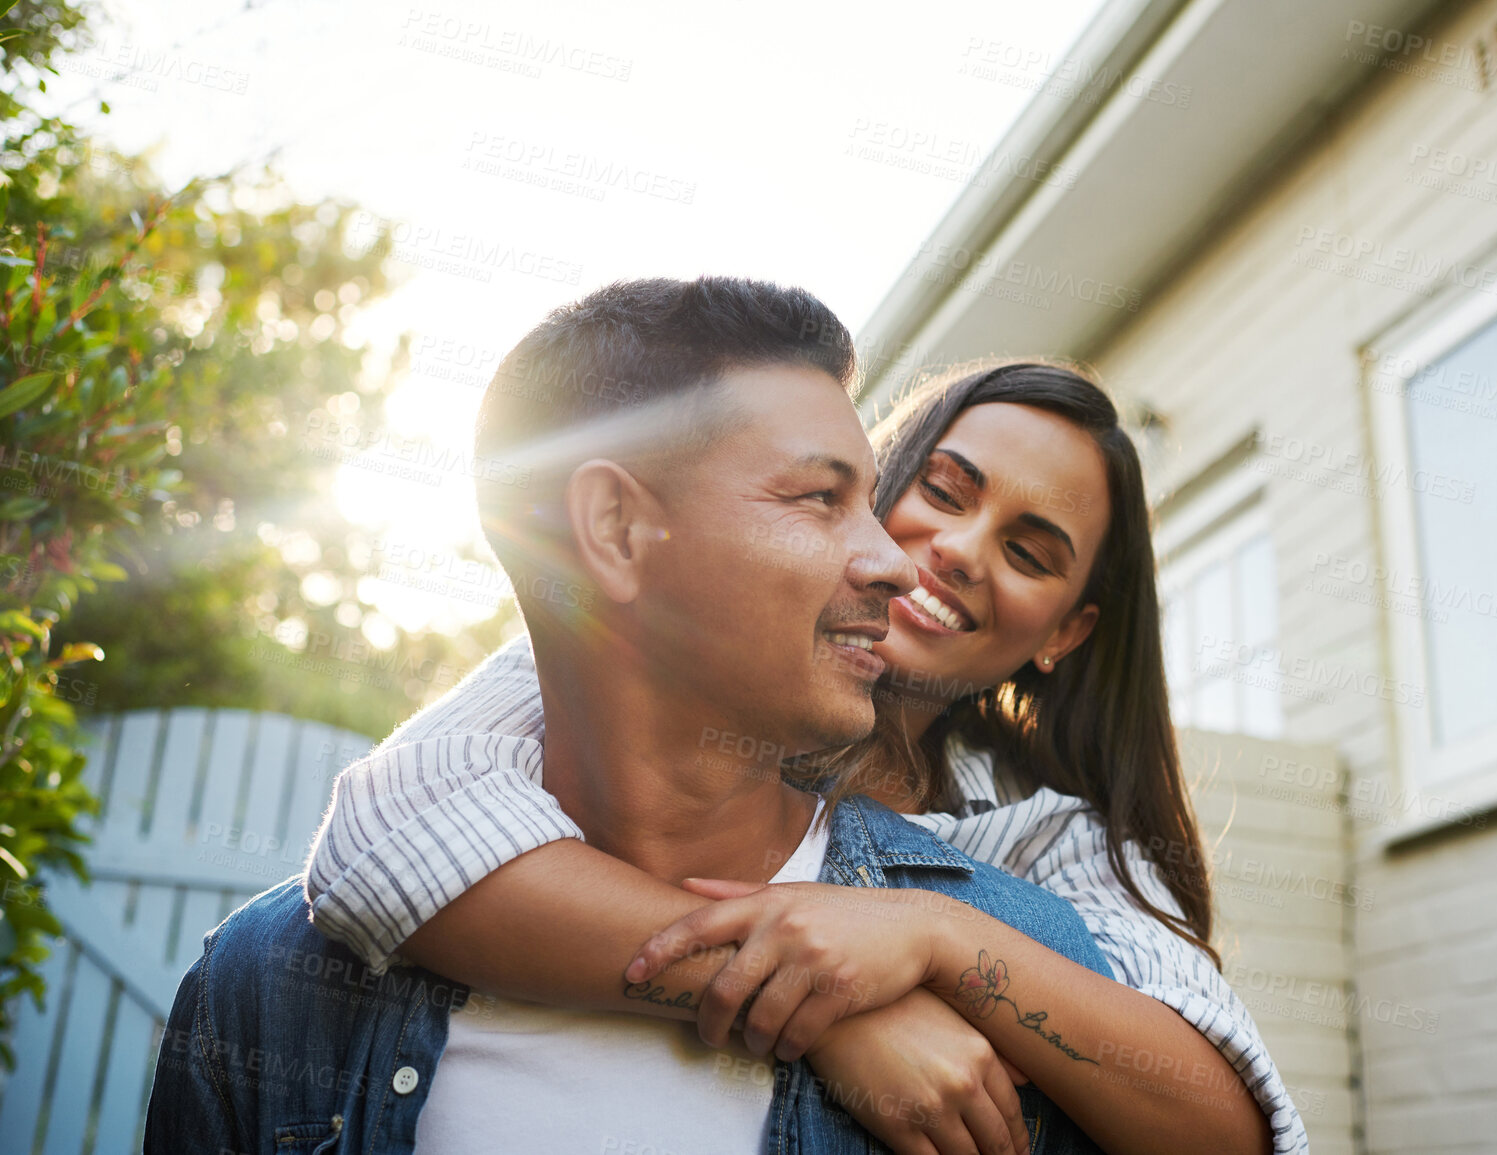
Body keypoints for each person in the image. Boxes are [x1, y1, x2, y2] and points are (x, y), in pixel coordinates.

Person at [143, 279, 1128, 1155]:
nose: (895, 562)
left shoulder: (1015, 954)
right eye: (821, 500)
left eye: (869, 501)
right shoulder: (269, 988)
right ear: (614, 530)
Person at [303, 356, 1305, 1154]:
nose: (960, 549)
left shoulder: (1041, 845)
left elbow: (1216, 1128)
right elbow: (381, 833)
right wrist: (828, 1012)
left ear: (1064, 634)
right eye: (945, 493)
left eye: (1029, 551)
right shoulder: (646, 659)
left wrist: (933, 937)